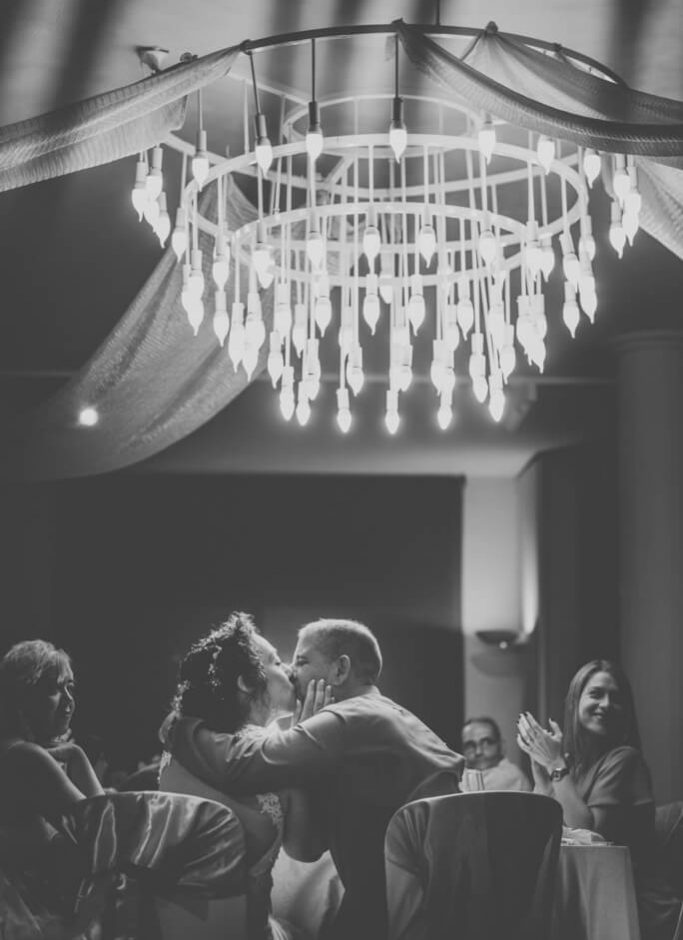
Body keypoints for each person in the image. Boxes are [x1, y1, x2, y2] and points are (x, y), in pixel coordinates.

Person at [166, 616, 465, 940]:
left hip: (417, 898)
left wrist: (179, 727)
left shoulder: (353, 717)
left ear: (339, 670)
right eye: (282, 662)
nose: (292, 672)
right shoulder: (380, 714)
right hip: (408, 888)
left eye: (301, 661)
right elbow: (308, 843)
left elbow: (244, 765)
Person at [159, 613, 325, 940]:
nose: (290, 670)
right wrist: (309, 746)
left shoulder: (177, 748)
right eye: (277, 661)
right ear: (247, 681)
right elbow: (306, 850)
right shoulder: (279, 760)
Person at [517, 659, 680, 940]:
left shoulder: (625, 759)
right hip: (585, 894)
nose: (606, 704)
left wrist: (555, 763)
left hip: (629, 902)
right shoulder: (573, 768)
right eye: (596, 694)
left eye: (616, 698)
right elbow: (542, 831)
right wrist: (543, 775)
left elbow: (591, 836)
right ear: (575, 702)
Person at [0, 639, 104, 933]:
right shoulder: (24, 756)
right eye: (54, 689)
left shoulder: (12, 750)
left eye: (71, 687)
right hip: (26, 916)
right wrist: (78, 755)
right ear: (22, 698)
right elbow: (105, 834)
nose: (69, 700)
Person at [461, 715, 531, 791]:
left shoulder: (511, 775)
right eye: (470, 745)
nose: (478, 751)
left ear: (501, 745)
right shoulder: (462, 774)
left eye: (486, 743)